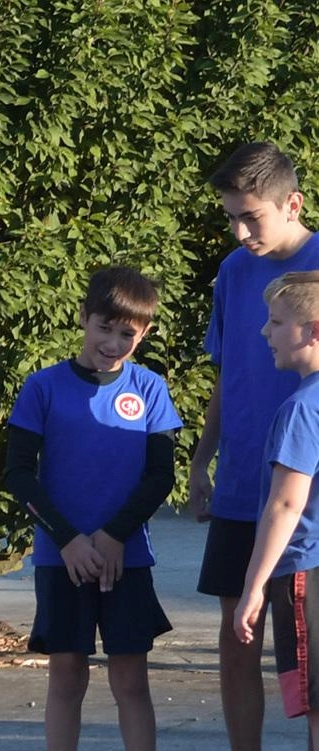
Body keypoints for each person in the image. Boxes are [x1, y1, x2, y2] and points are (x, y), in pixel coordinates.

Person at [5, 266, 181, 751]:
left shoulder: (150, 389)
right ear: (83, 318)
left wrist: (112, 535)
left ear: (143, 334)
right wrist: (68, 539)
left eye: (128, 333)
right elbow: (18, 474)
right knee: (66, 677)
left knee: (131, 681)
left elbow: (160, 475)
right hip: (60, 557)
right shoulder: (42, 387)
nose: (113, 341)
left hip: (127, 557)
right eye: (104, 327)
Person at [189, 141, 319, 751]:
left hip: (306, 499)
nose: (240, 231)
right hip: (245, 486)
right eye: (230, 217)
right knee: (236, 636)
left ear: (291, 203)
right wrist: (200, 458)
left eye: (252, 217)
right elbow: (229, 371)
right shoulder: (234, 273)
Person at [235, 271, 319, 748]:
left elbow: (286, 503)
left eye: (276, 321)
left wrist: (253, 587)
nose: (266, 332)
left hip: (308, 572)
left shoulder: (304, 408)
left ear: (313, 329)